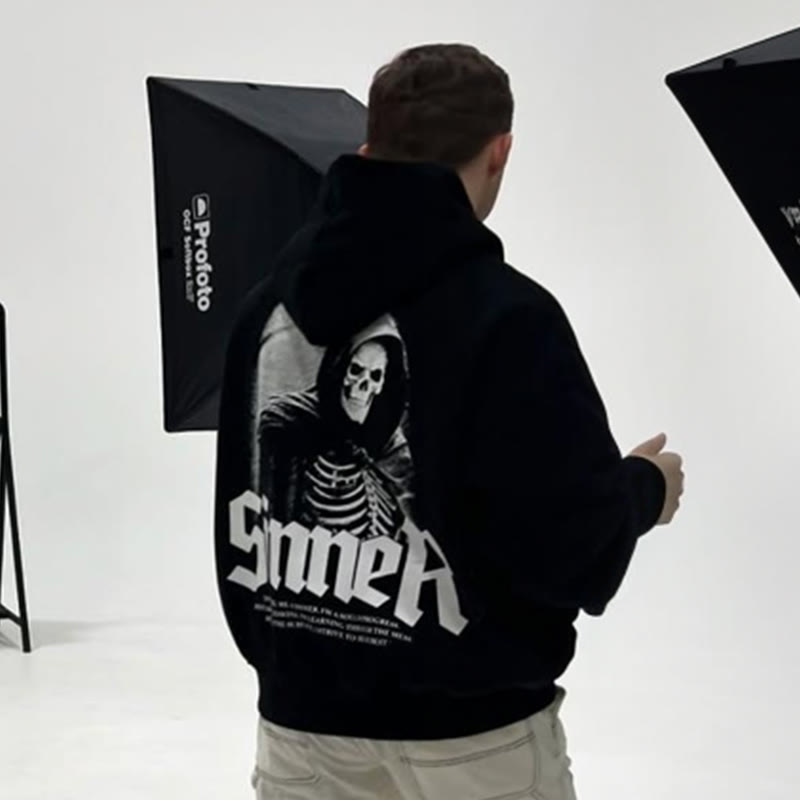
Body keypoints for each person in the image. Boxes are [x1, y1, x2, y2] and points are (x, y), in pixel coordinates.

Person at [213, 42, 685, 800]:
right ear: (500, 152)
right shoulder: (510, 318)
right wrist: (644, 489)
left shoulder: (264, 311)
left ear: (368, 145)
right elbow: (575, 552)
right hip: (473, 743)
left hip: (299, 733)